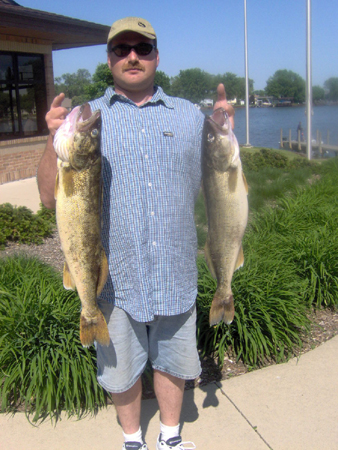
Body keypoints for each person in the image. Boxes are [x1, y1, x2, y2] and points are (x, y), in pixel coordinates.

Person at [37, 17, 234, 450]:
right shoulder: (85, 118)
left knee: (173, 361)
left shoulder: (188, 116)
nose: (132, 56)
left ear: (156, 57)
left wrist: (225, 130)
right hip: (113, 277)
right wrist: (52, 141)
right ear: (109, 59)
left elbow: (222, 182)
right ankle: (132, 439)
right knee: (120, 365)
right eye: (122, 48)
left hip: (175, 270)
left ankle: (169, 436)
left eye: (142, 48)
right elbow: (52, 199)